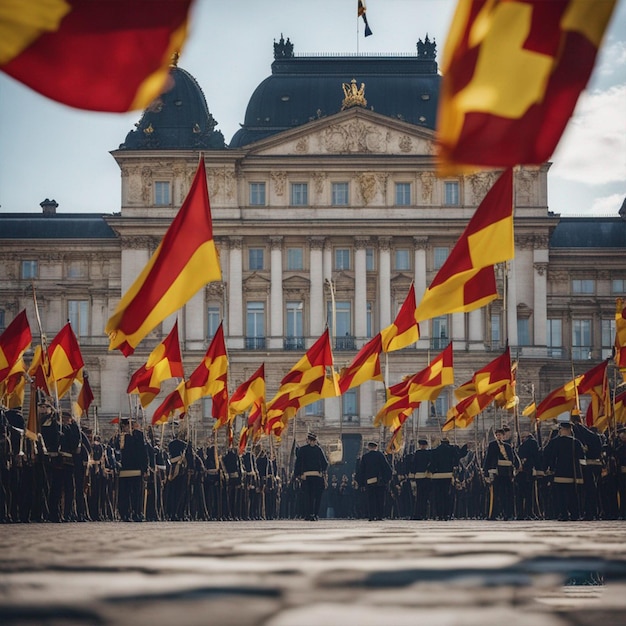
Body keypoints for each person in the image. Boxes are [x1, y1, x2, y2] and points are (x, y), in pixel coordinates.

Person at [543, 421, 585, 521]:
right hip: (573, 474)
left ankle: (564, 514)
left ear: (561, 430)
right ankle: (575, 514)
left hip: (559, 473)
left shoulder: (554, 442)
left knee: (560, 496)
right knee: (573, 495)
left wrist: (547, 468)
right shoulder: (576, 442)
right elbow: (582, 458)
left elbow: (547, 455)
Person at [483, 428, 519, 520]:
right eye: (497, 435)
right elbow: (488, 459)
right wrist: (486, 472)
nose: (498, 437)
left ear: (504, 436)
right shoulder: (492, 445)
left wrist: (515, 468)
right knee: (495, 494)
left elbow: (513, 458)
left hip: (507, 473)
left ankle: (507, 514)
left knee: (507, 494)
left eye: (500, 435)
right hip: (496, 472)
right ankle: (493, 514)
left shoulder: (508, 446)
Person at [293, 432, 328, 521]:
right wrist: (322, 472)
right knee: (312, 497)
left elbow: (298, 463)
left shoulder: (303, 449)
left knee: (311, 496)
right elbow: (325, 463)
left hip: (309, 476)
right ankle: (312, 514)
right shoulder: (318, 449)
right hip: (313, 476)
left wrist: (299, 474)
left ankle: (311, 514)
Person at [357, 441, 393, 521]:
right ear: (376, 447)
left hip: (369, 481)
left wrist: (361, 483)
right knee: (380, 499)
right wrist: (386, 480)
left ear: (368, 448)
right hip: (380, 482)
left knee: (371, 500)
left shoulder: (365, 457)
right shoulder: (380, 455)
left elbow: (361, 471)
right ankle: (380, 515)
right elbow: (387, 468)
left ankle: (371, 516)